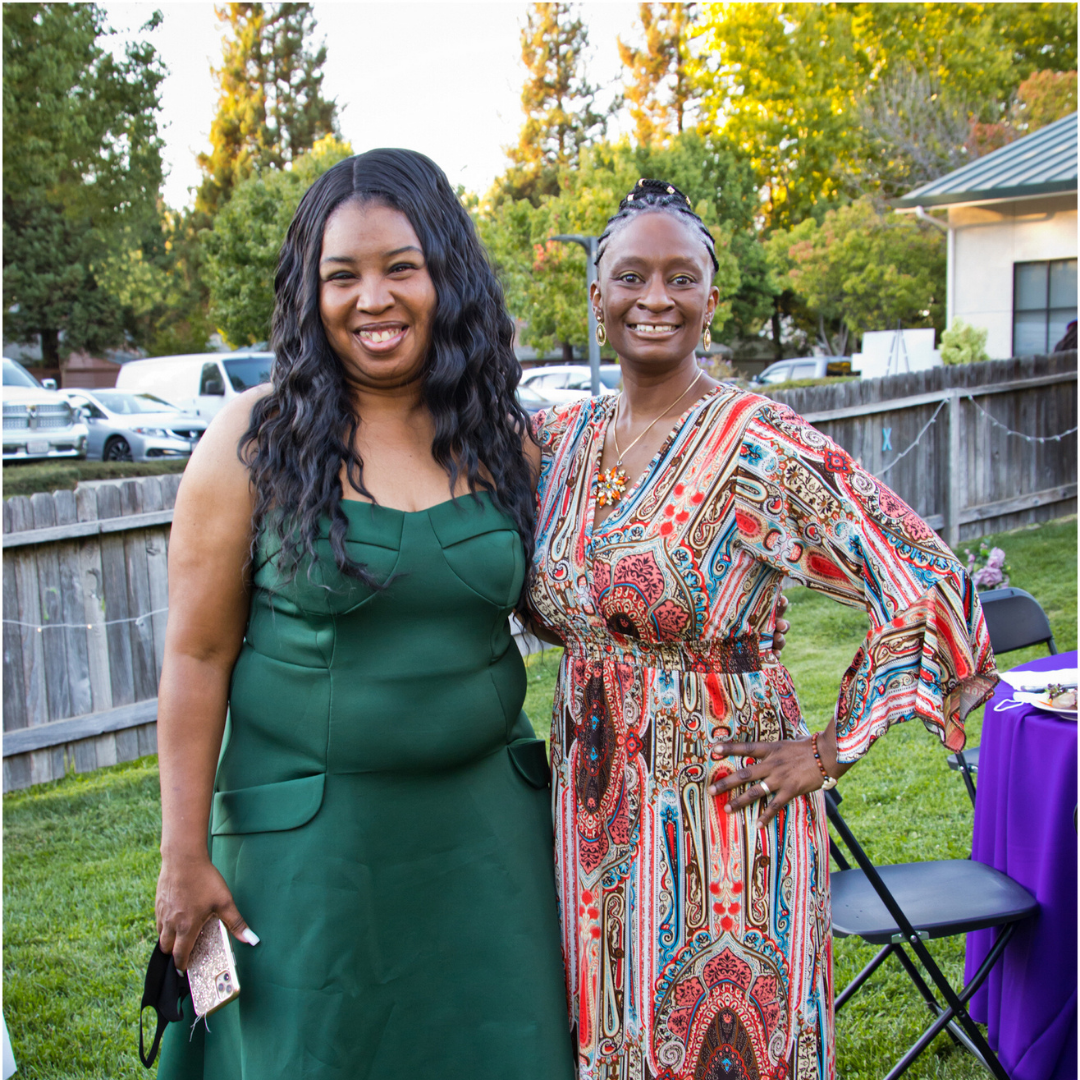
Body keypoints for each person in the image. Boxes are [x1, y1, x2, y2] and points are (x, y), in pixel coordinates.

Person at [527, 178, 997, 1079]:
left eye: (680, 278)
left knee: (724, 1045)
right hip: (592, 811)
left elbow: (921, 573)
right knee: (614, 1037)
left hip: (721, 808)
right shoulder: (564, 438)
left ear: (712, 297)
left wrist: (829, 751)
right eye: (630, 276)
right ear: (596, 297)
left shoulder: (756, 441)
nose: (654, 299)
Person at [153, 149, 575, 1079]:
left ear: (445, 278)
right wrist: (182, 854)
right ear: (311, 294)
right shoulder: (252, 441)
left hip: (484, 839)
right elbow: (196, 653)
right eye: (340, 275)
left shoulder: (505, 438)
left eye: (399, 267)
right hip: (309, 848)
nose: (371, 298)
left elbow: (563, 607)